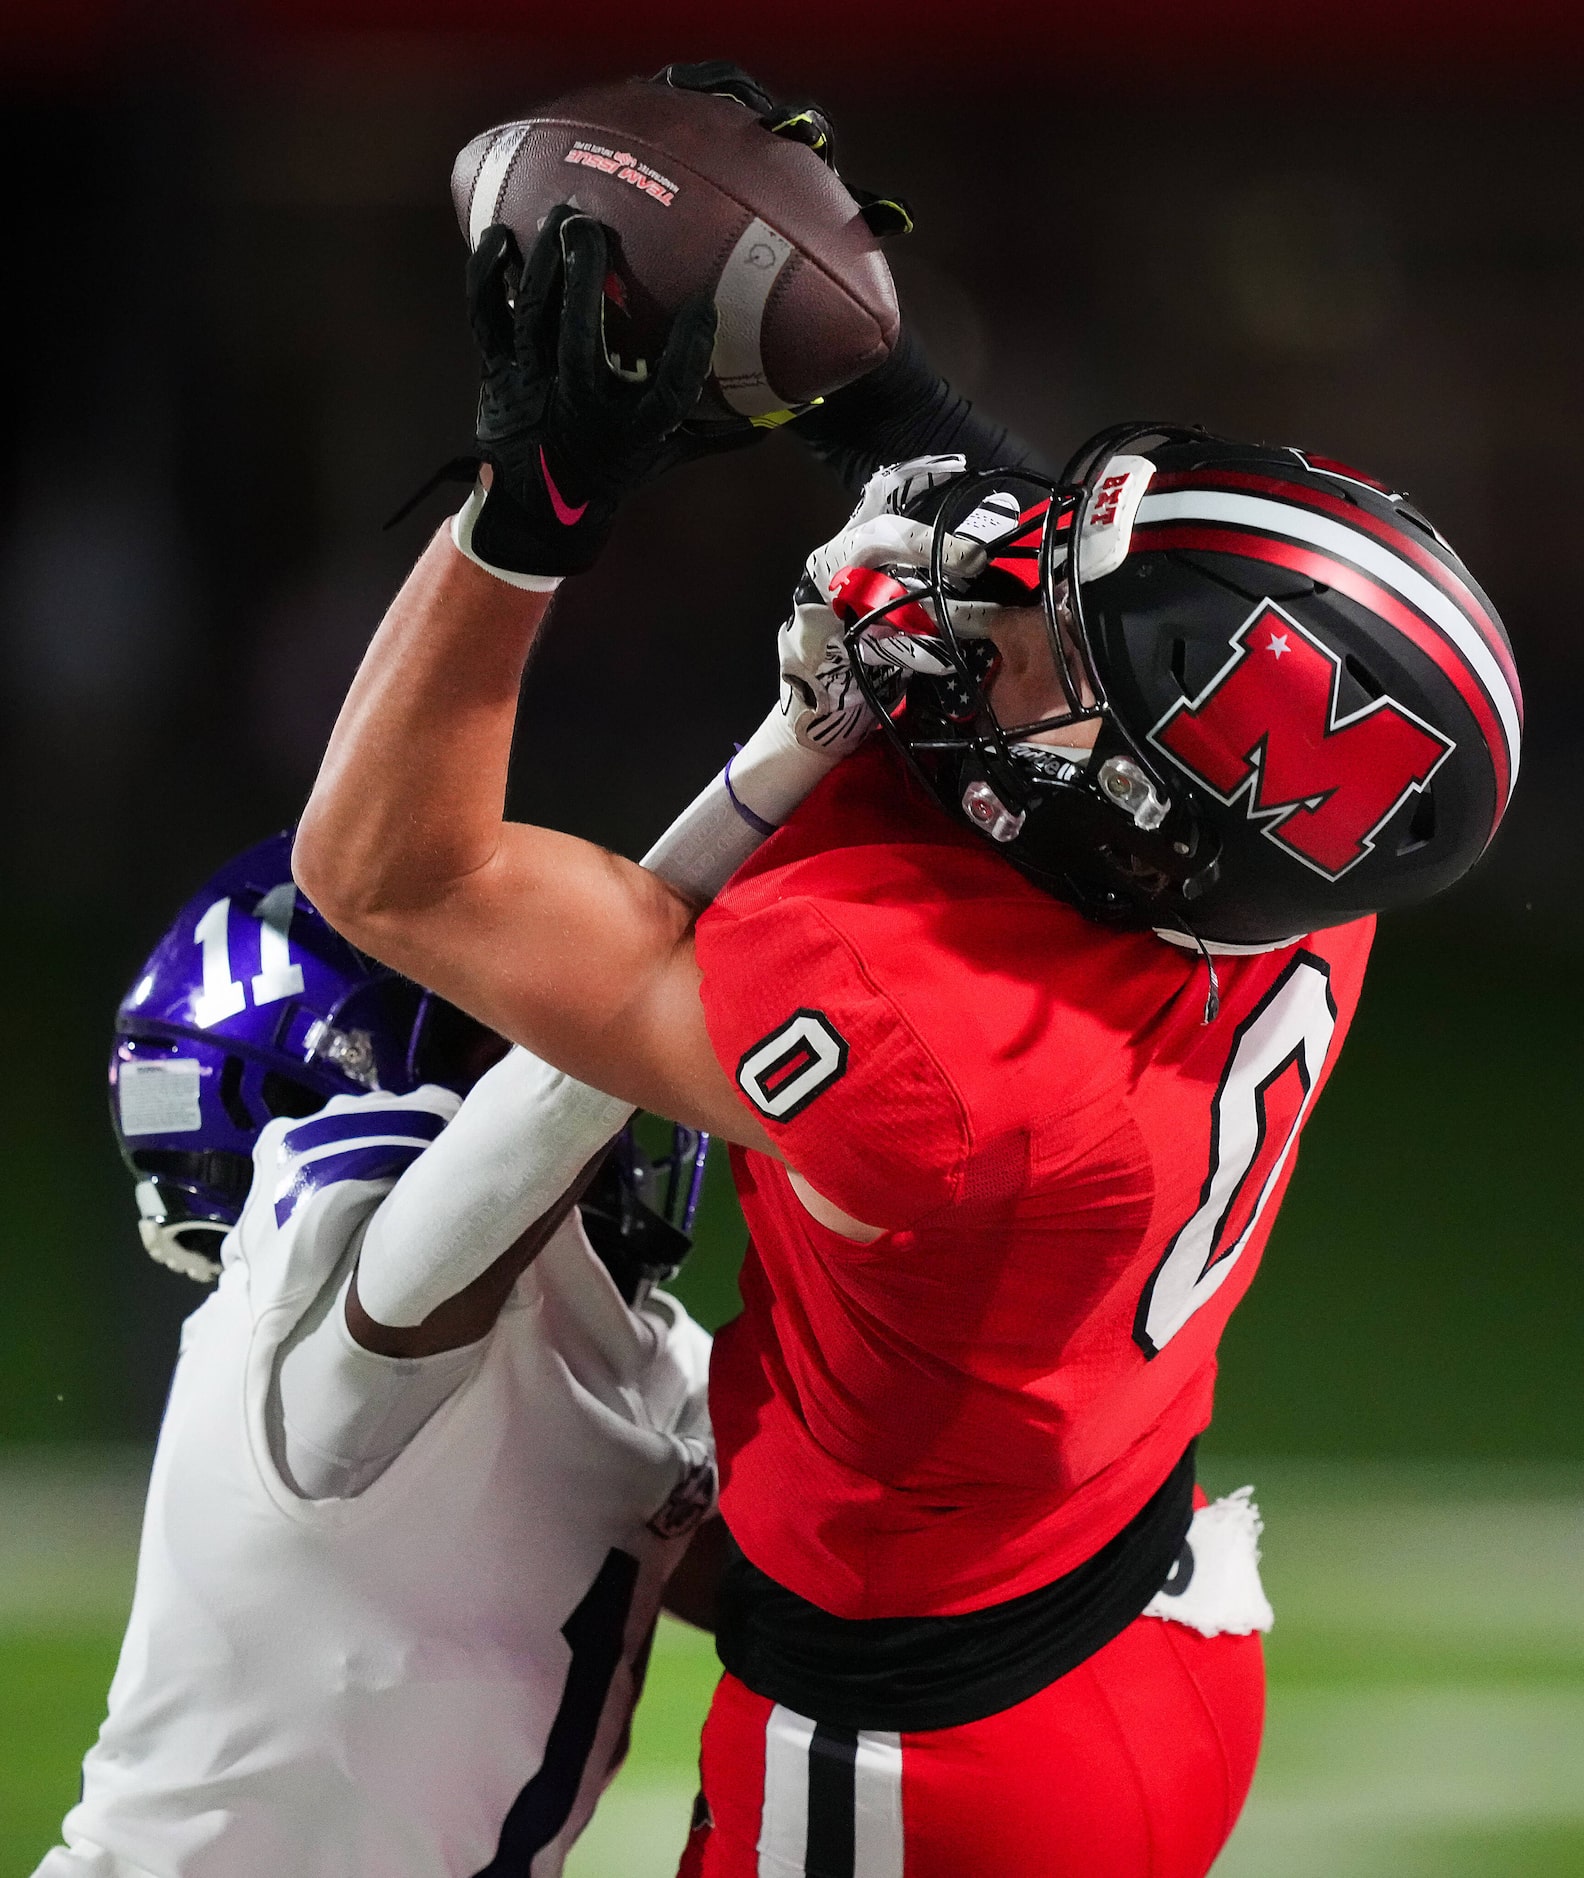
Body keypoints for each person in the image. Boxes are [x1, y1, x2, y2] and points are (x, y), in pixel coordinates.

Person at [291, 136, 1521, 1878]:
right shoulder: (1301, 874)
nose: (1004, 589)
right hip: (1135, 1615)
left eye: (1051, 642)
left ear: (1149, 822)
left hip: (921, 1764)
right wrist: (871, 379)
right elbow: (1060, 609)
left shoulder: (930, 1051)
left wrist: (532, 504)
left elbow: (396, 876)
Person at [36, 607, 850, 1878]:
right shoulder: (318, 1332)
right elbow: (541, 1110)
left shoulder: (629, 1353)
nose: (565, 1037)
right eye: (495, 1025)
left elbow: (808, 1602)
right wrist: (796, 752)